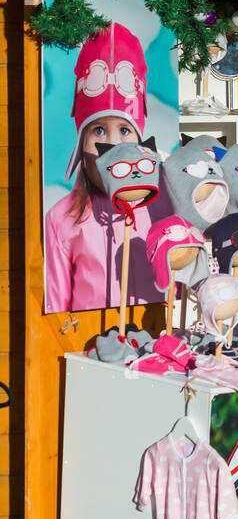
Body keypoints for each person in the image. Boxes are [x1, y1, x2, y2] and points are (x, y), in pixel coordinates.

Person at [44, 22, 171, 313]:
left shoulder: (165, 204)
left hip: (154, 341)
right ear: (81, 140)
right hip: (90, 346)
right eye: (98, 131)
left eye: (124, 131)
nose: (112, 146)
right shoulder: (62, 219)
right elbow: (57, 309)